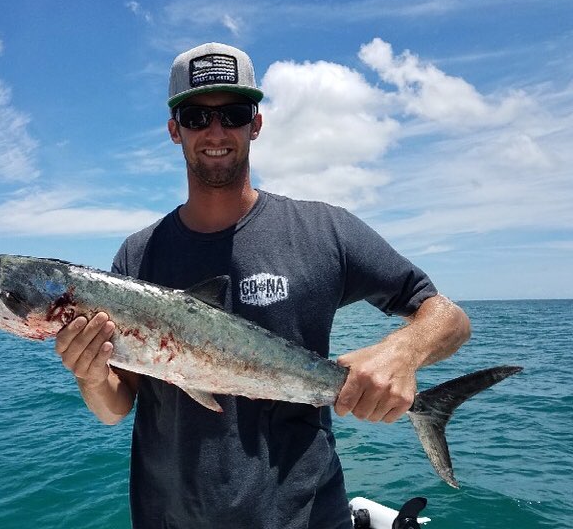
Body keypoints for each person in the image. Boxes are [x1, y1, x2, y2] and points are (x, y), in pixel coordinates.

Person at [55, 43, 471, 529]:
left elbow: (448, 318)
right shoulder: (137, 255)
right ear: (174, 130)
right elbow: (116, 406)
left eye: (232, 114)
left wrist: (404, 351)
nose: (215, 132)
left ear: (256, 123)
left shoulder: (324, 231)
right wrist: (89, 376)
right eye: (195, 116)